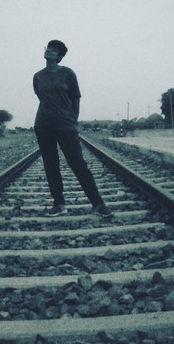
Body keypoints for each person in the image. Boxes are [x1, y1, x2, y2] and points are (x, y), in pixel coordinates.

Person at [33, 39, 113, 217]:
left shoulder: (68, 73)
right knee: (51, 165)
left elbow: (75, 98)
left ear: (60, 56)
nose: (49, 51)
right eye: (48, 48)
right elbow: (41, 98)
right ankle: (59, 204)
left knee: (78, 163)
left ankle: (98, 204)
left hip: (65, 125)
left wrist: (72, 119)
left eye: (54, 50)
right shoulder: (38, 76)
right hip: (43, 125)